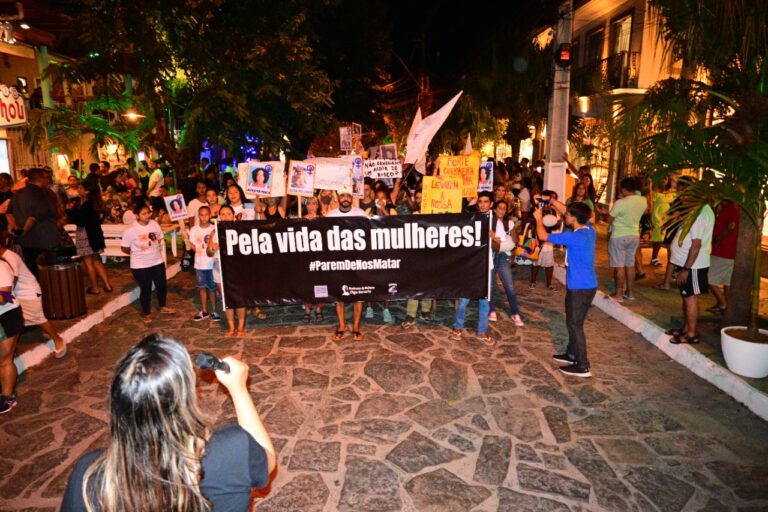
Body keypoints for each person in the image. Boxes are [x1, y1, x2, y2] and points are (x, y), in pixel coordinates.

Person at [61, 334, 276, 511]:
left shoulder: (89, 475)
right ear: (185, 398)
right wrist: (238, 390)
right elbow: (268, 461)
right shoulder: (232, 449)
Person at [534, 199, 597, 377]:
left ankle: (583, 365)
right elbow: (570, 212)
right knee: (574, 322)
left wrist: (539, 218)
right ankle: (571, 354)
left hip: (579, 287)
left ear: (575, 218)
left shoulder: (574, 237)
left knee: (575, 324)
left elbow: (543, 236)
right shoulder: (589, 231)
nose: (565, 215)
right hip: (588, 285)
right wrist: (552, 201)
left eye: (568, 215)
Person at [0, 232, 66, 358]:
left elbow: (11, 283)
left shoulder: (9, 257)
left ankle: (58, 339)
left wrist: (6, 299)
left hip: (27, 292)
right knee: (15, 323)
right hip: (14, 294)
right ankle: (12, 349)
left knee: (38, 318)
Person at [665, 196, 715, 345]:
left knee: (690, 298)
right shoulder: (700, 211)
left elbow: (696, 244)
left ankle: (691, 334)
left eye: (685, 197)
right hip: (687, 264)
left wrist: (686, 268)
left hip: (693, 265)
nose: (683, 200)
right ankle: (686, 329)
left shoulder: (699, 214)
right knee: (687, 297)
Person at [452, 191, 495, 346]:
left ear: (491, 204)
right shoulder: (471, 219)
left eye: (486, 201)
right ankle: (458, 327)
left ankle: (482, 331)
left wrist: (493, 237)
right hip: (471, 266)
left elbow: (498, 245)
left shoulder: (496, 222)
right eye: (481, 202)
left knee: (484, 300)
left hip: (486, 267)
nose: (483, 204)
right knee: (464, 299)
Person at [121, 203, 175, 323]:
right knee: (146, 289)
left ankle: (163, 306)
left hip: (157, 261)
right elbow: (124, 248)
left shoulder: (154, 224)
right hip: (140, 265)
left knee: (162, 285)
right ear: (137, 215)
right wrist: (136, 252)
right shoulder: (131, 230)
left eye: (148, 213)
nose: (147, 216)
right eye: (143, 214)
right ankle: (147, 313)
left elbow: (160, 237)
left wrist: (154, 247)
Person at [327, 191, 366, 341]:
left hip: (357, 260)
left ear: (352, 198)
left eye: (348, 196)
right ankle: (341, 325)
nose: (345, 199)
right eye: (342, 196)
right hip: (338, 261)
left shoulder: (360, 213)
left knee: (359, 294)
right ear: (338, 198)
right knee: (339, 295)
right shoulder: (330, 215)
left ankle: (356, 327)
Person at [600, 177, 646, 301]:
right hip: (634, 235)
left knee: (619, 266)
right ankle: (630, 293)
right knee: (630, 265)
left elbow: (609, 220)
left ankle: (619, 294)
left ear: (624, 189)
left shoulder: (620, 203)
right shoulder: (643, 200)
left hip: (619, 236)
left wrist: (604, 214)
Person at [206, 205, 249, 336]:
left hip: (236, 269)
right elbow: (208, 253)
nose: (225, 216)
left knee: (240, 298)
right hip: (219, 268)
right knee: (227, 299)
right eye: (222, 214)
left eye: (228, 213)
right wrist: (212, 248)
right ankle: (231, 327)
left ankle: (241, 327)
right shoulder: (214, 232)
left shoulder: (240, 231)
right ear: (219, 216)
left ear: (233, 215)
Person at [9, 167, 60, 277]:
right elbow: (34, 216)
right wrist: (24, 230)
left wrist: (15, 228)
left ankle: (36, 292)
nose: (48, 180)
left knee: (32, 269)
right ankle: (46, 293)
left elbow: (9, 212)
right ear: (40, 179)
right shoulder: (44, 193)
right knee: (47, 272)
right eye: (46, 178)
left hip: (26, 241)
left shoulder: (18, 193)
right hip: (44, 239)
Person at [66, 185, 114, 294]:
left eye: (81, 188)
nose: (79, 190)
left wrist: (70, 211)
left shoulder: (86, 205)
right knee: (97, 260)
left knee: (88, 262)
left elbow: (81, 221)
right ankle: (107, 285)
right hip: (95, 234)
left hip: (86, 234)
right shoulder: (96, 203)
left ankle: (95, 288)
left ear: (87, 191)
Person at [488, 199, 524, 326]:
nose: (502, 210)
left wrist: (513, 234)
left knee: (509, 285)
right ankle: (491, 310)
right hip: (491, 254)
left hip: (503, 255)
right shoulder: (488, 221)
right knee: (490, 285)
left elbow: (515, 240)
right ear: (495, 209)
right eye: (499, 208)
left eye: (504, 208)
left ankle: (515, 313)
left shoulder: (508, 223)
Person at [0, 246, 23, 414]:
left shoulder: (2, 266)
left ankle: (7, 397)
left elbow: (5, 297)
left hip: (7, 316)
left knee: (4, 360)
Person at [189, 206, 220, 322]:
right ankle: (204, 310)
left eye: (206, 214)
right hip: (199, 264)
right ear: (198, 216)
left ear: (210, 215)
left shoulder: (214, 229)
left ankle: (214, 310)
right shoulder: (194, 230)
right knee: (202, 287)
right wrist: (188, 242)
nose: (204, 217)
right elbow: (193, 246)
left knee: (212, 288)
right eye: (201, 215)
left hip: (211, 264)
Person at [707, 201, 739, 314]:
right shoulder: (730, 207)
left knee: (708, 278)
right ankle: (726, 307)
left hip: (724, 250)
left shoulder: (732, 207)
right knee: (727, 283)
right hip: (729, 250)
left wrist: (719, 238)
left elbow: (731, 225)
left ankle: (723, 304)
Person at [648, 175, 676, 267]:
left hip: (667, 218)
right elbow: (650, 205)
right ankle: (654, 258)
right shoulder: (655, 193)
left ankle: (657, 258)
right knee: (658, 238)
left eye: (665, 178)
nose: (664, 180)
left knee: (664, 238)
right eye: (662, 178)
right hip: (657, 217)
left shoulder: (671, 193)